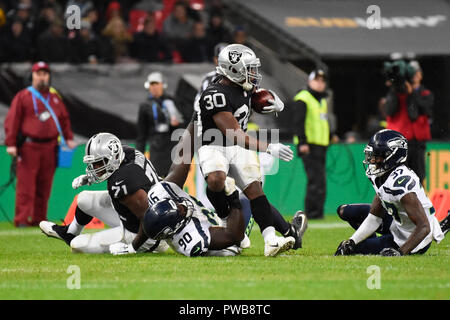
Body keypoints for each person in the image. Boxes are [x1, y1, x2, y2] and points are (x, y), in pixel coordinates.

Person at [193, 42, 308, 250]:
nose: (254, 74)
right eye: (249, 69)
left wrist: (273, 101)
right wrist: (268, 147)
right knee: (217, 179)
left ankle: (271, 241)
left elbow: (254, 96)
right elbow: (233, 133)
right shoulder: (214, 94)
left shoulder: (244, 87)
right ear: (233, 70)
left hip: (237, 145)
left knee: (254, 187)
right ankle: (227, 220)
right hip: (214, 144)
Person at [39, 132, 168, 254]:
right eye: (94, 164)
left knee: (77, 244)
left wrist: (132, 247)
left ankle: (142, 244)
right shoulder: (128, 152)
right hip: (133, 216)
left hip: (148, 234)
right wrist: (89, 178)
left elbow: (149, 217)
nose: (96, 168)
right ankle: (70, 232)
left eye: (99, 163)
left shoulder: (123, 180)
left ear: (114, 157)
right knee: (83, 199)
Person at [335, 129, 445, 256]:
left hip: (413, 238)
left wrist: (400, 252)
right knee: (344, 211)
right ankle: (375, 242)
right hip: (397, 224)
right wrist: (352, 241)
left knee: (353, 252)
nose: (372, 161)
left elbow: (424, 226)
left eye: (377, 157)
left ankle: (379, 243)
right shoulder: (382, 174)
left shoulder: (401, 183)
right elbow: (374, 217)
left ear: (392, 156)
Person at [4, 61, 75, 227]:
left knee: (44, 185)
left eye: (45, 74)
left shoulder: (55, 97)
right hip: (29, 147)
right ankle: (21, 219)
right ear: (32, 76)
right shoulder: (23, 96)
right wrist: (11, 143)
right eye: (38, 74)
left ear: (49, 76)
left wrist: (68, 138)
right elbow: (13, 120)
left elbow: (64, 119)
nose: (42, 77)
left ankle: (39, 219)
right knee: (26, 186)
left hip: (50, 147)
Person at [111, 176, 248, 257]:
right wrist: (232, 197)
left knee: (213, 190)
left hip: (211, 221)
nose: (181, 205)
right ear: (174, 227)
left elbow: (149, 224)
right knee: (246, 202)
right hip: (226, 239)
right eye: (180, 210)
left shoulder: (158, 196)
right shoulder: (191, 241)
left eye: (176, 205)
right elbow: (233, 235)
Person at [293, 68, 338, 220]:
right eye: (316, 80)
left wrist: (331, 136)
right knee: (315, 181)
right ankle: (312, 214)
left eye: (322, 81)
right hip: (309, 146)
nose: (320, 84)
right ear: (309, 81)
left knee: (320, 181)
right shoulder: (303, 98)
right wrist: (302, 143)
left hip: (321, 145)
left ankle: (317, 213)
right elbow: (298, 123)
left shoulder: (322, 99)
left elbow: (322, 121)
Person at [381, 60, 433, 185]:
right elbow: (389, 111)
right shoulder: (394, 93)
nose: (413, 76)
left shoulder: (425, 93)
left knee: (418, 176)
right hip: (397, 142)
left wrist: (412, 93)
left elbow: (424, 110)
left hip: (416, 142)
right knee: (395, 176)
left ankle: (417, 203)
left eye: (416, 73)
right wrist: (394, 89)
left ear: (420, 75)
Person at [136, 72, 184, 177]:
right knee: (158, 181)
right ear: (148, 86)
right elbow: (141, 135)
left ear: (163, 84)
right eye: (152, 84)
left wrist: (176, 124)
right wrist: (139, 157)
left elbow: (183, 126)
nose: (154, 87)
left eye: (157, 84)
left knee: (175, 179)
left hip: (173, 147)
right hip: (156, 149)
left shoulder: (172, 101)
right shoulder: (145, 106)